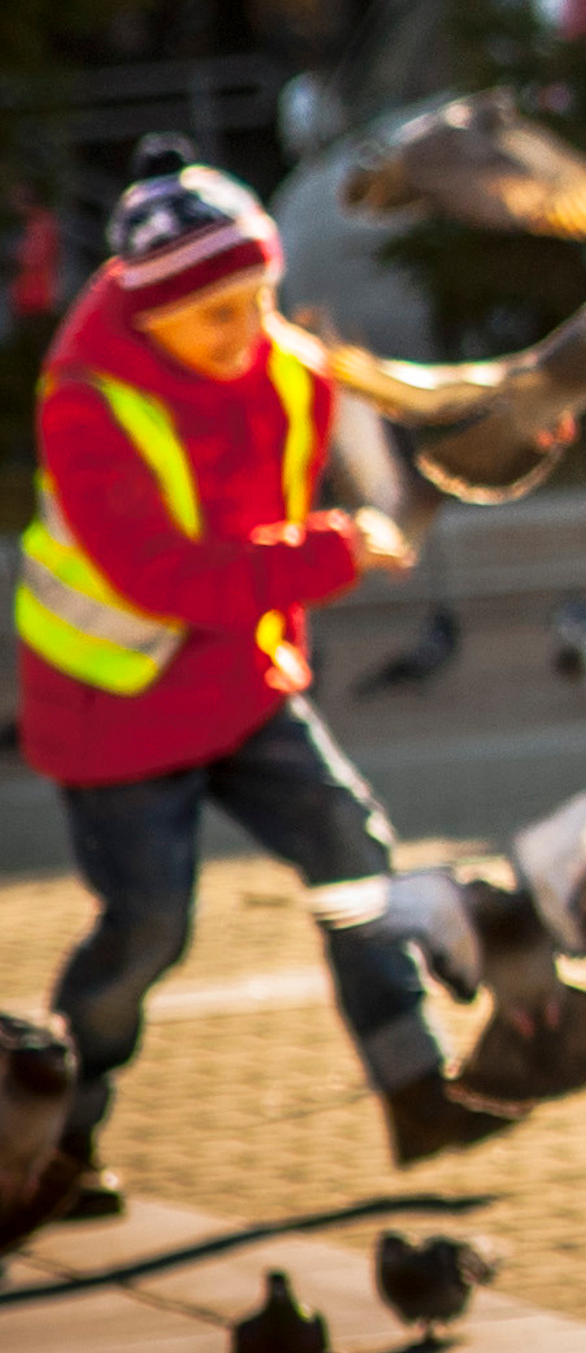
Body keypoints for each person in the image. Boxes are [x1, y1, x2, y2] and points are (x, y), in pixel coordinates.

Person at [6, 138, 515, 1251]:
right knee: (147, 929)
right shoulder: (87, 402)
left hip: (243, 679)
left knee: (353, 851)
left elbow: (394, 405)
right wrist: (330, 554)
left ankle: (415, 1087)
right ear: (151, 315)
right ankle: (53, 1137)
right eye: (218, 316)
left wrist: (506, 429)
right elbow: (163, 574)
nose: (250, 334)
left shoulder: (274, 356)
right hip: (118, 703)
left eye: (260, 300)